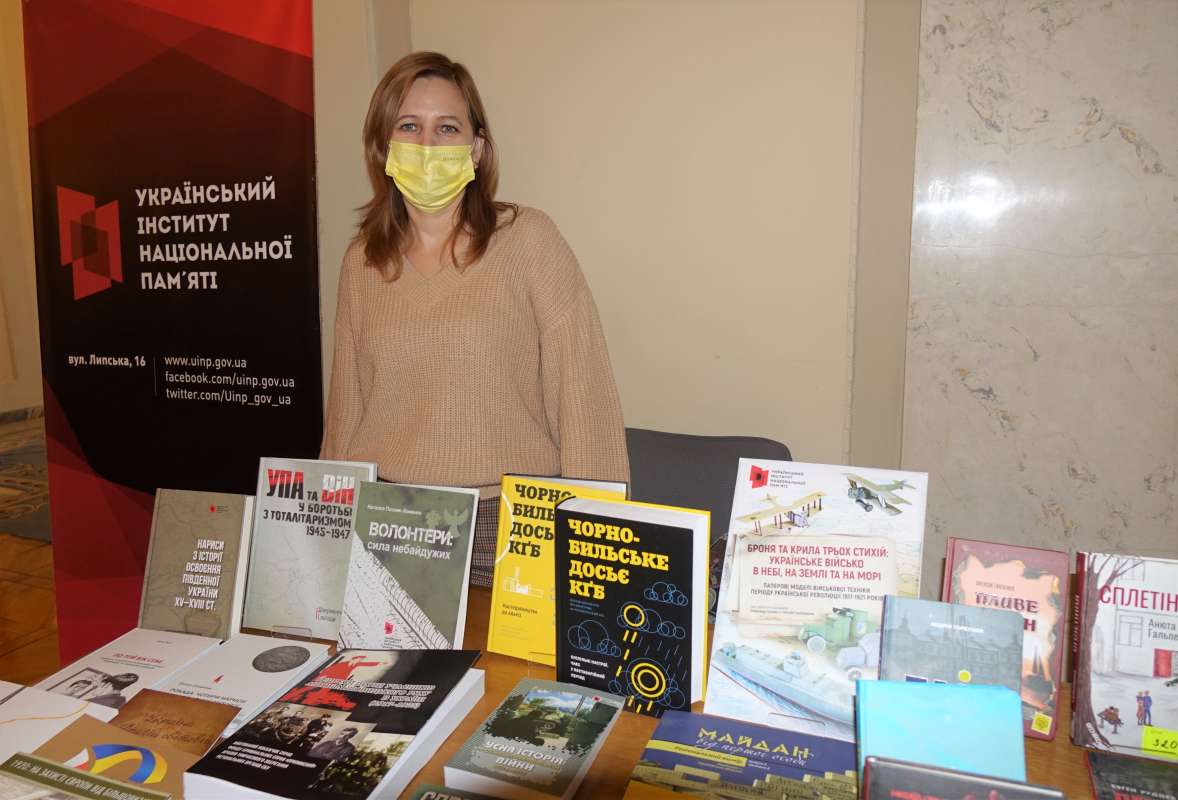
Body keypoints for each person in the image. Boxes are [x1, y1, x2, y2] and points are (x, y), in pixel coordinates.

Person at [320, 52, 629, 586]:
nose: (427, 145)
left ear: (478, 149)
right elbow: (346, 413)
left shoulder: (528, 240)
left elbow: (584, 397)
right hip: (390, 523)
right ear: (383, 146)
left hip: (505, 527)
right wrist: (325, 538)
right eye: (409, 126)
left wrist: (596, 545)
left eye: (448, 128)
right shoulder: (362, 262)